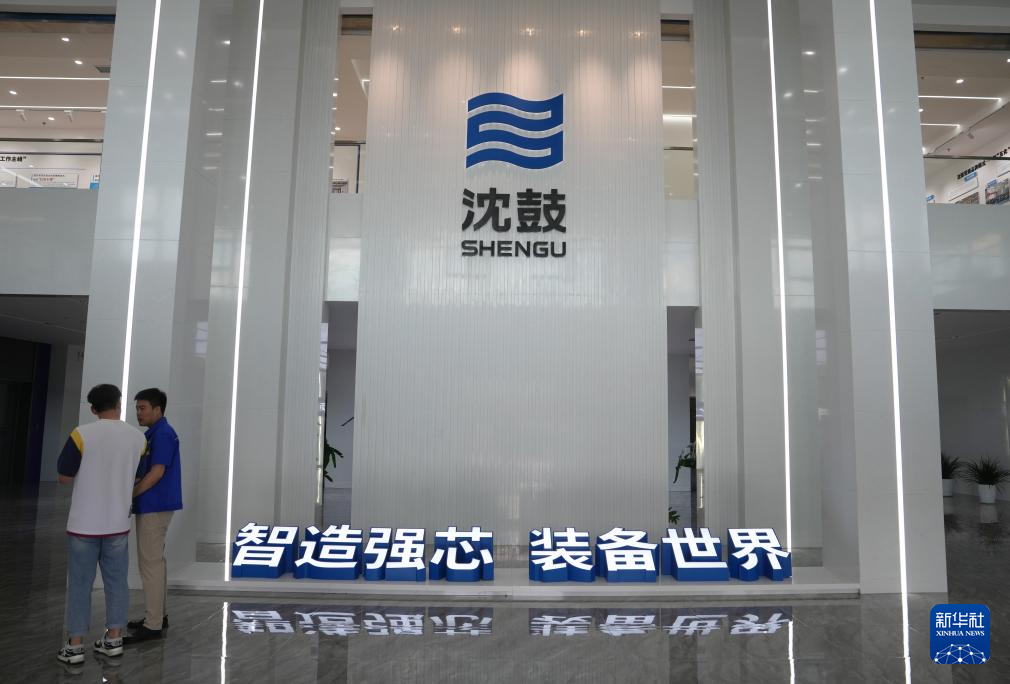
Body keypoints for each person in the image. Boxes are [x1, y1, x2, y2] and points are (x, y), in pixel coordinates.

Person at [56, 384, 147, 664]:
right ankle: (114, 639)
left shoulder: (81, 434)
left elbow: (64, 477)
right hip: (118, 523)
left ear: (93, 409)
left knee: (80, 584)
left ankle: (75, 646)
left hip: (84, 524)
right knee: (117, 582)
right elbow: (138, 475)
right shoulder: (138, 438)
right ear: (119, 404)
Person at [124, 387, 182, 643]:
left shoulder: (163, 434)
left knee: (150, 564)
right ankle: (159, 616)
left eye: (143, 408)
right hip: (153, 505)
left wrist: (130, 495)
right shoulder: (155, 433)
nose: (138, 413)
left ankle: (153, 624)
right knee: (156, 562)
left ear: (157, 410)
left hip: (155, 505)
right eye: (137, 408)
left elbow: (157, 473)